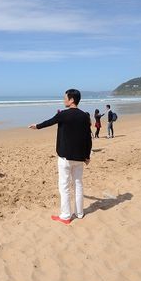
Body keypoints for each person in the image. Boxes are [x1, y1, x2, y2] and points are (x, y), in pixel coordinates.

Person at [29, 89, 92, 225]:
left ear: (71, 100)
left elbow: (49, 122)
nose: (64, 100)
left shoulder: (63, 114)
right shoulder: (84, 116)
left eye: (65, 98)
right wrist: (87, 155)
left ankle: (65, 216)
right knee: (78, 184)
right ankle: (79, 213)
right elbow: (88, 137)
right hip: (80, 158)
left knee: (64, 186)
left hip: (65, 158)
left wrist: (37, 126)